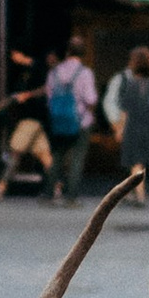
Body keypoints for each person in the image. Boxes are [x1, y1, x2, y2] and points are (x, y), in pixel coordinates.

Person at [0, 60, 54, 200]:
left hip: (28, 121)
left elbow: (19, 96)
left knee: (14, 152)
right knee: (44, 156)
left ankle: (1, 187)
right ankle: (56, 186)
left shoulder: (36, 72)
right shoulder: (38, 73)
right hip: (37, 121)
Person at [108, 44, 149, 202]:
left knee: (137, 164)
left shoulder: (130, 84)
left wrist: (120, 129)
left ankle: (140, 197)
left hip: (133, 128)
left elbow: (125, 111)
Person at [43, 33, 98, 202]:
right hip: (81, 120)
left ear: (67, 51)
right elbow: (91, 99)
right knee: (77, 158)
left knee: (57, 156)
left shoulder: (55, 72)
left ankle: (49, 192)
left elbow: (49, 94)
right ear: (83, 53)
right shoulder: (85, 73)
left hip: (59, 119)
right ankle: (71, 195)